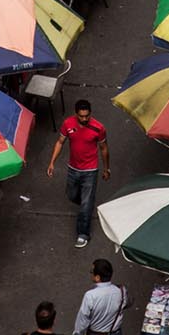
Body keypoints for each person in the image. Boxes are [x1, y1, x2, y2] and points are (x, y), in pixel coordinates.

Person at [47, 99, 110, 248]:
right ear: (76, 114)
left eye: (86, 116)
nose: (84, 119)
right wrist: (52, 162)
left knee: (86, 205)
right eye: (81, 116)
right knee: (72, 195)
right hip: (73, 169)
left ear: (90, 114)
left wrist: (107, 168)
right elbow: (60, 142)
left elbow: (104, 149)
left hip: (90, 170)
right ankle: (85, 208)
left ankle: (83, 234)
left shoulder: (99, 128)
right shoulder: (68, 124)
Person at [72, 258, 130, 335]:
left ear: (97, 277)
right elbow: (125, 304)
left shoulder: (90, 296)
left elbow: (83, 318)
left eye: (91, 271)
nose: (91, 274)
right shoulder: (121, 291)